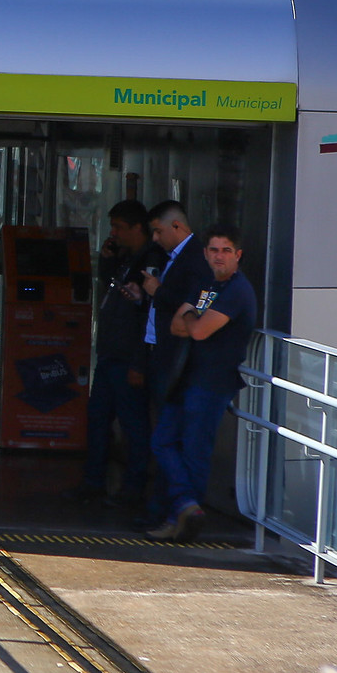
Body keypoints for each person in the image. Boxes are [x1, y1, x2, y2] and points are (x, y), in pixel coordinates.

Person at [147, 224, 257, 541]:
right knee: (163, 441)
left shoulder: (237, 290)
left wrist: (193, 317)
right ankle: (185, 505)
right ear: (205, 253)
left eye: (225, 250)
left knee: (194, 452)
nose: (218, 256)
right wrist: (195, 317)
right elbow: (175, 326)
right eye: (213, 250)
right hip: (187, 379)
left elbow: (195, 330)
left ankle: (182, 520)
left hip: (213, 384)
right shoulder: (207, 284)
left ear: (237, 255)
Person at [69, 200, 159, 505]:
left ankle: (133, 486)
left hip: (127, 356)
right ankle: (93, 480)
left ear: (137, 228)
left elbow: (147, 314)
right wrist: (107, 262)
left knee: (133, 424)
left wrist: (139, 361)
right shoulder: (127, 259)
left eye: (119, 227)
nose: (114, 233)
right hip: (110, 353)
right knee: (97, 418)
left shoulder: (150, 261)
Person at [134, 199, 212, 525]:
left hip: (177, 362)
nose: (154, 238)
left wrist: (156, 290)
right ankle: (167, 508)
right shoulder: (173, 258)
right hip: (160, 355)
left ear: (177, 227)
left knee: (168, 439)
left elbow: (191, 307)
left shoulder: (194, 261)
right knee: (162, 436)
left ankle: (173, 507)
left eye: (158, 231)